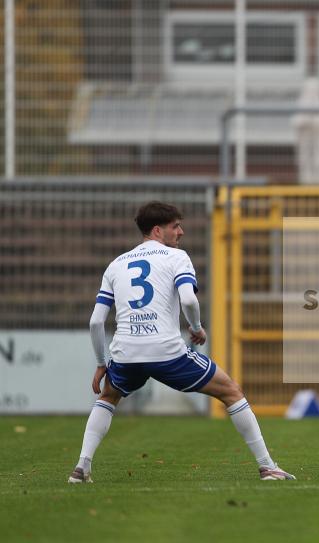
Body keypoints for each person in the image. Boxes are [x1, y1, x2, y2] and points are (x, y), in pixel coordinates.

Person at [68, 202, 294, 483]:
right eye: (176, 226)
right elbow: (188, 299)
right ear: (157, 230)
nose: (181, 232)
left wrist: (102, 363)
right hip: (167, 351)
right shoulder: (176, 258)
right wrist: (197, 327)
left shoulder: (116, 265)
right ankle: (267, 466)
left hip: (126, 353)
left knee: (108, 398)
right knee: (232, 391)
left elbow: (96, 322)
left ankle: (81, 467)